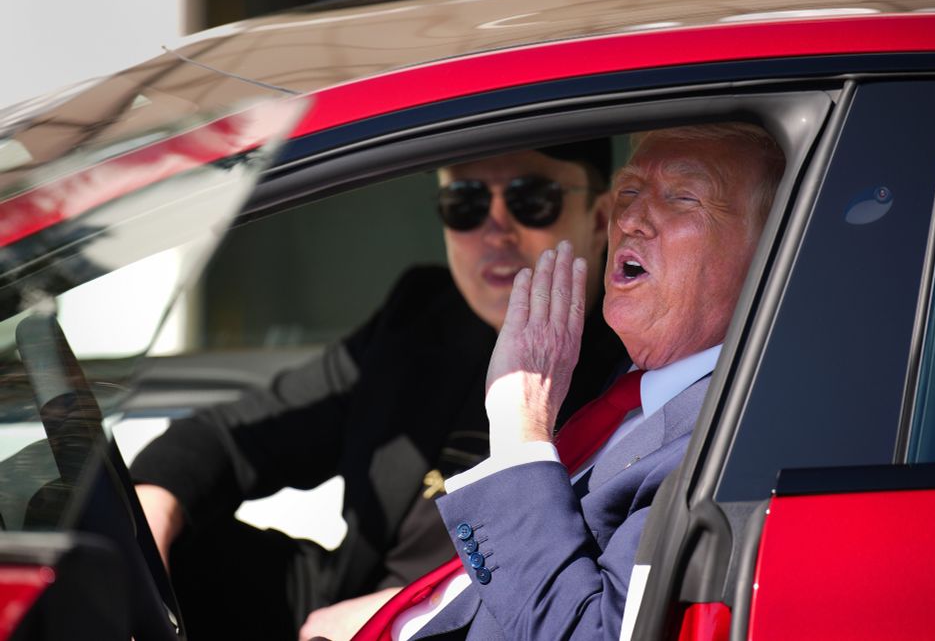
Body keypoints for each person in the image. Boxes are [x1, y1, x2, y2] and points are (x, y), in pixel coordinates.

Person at [129, 140, 627, 641]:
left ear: (600, 218)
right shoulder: (421, 316)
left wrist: (410, 609)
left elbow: (585, 595)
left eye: (531, 199)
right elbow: (232, 437)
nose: (496, 230)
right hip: (341, 601)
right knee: (125, 539)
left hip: (475, 623)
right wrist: (148, 519)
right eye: (465, 202)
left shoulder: (630, 366)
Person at [366, 122, 785, 640]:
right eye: (629, 192)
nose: (628, 220)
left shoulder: (730, 441)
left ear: (771, 246)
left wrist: (520, 429)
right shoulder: (629, 383)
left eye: (682, 197)